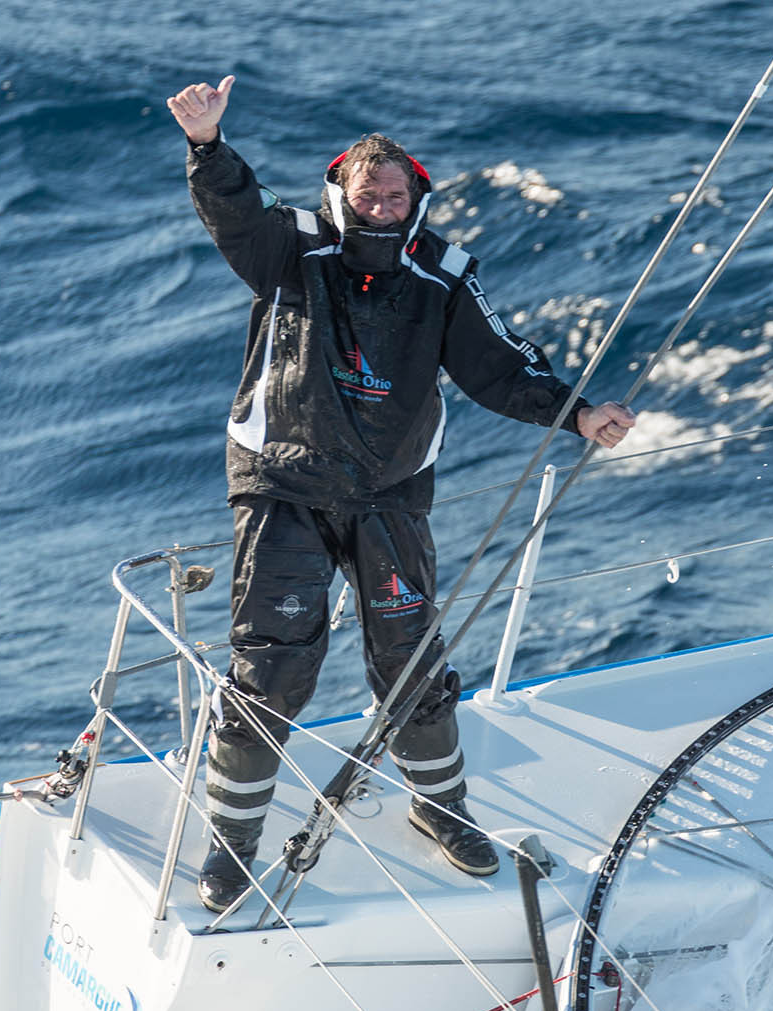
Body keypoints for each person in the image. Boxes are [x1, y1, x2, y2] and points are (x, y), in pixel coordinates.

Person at [167, 76, 637, 912]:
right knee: (271, 666)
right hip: (284, 481)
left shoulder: (443, 275)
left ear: (415, 196)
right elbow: (234, 210)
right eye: (367, 192)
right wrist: (208, 145)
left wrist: (578, 414)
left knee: (413, 660)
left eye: (396, 193)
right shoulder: (293, 247)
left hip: (390, 493)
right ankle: (231, 846)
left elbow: (500, 363)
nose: (382, 205)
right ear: (341, 195)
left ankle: (440, 809)